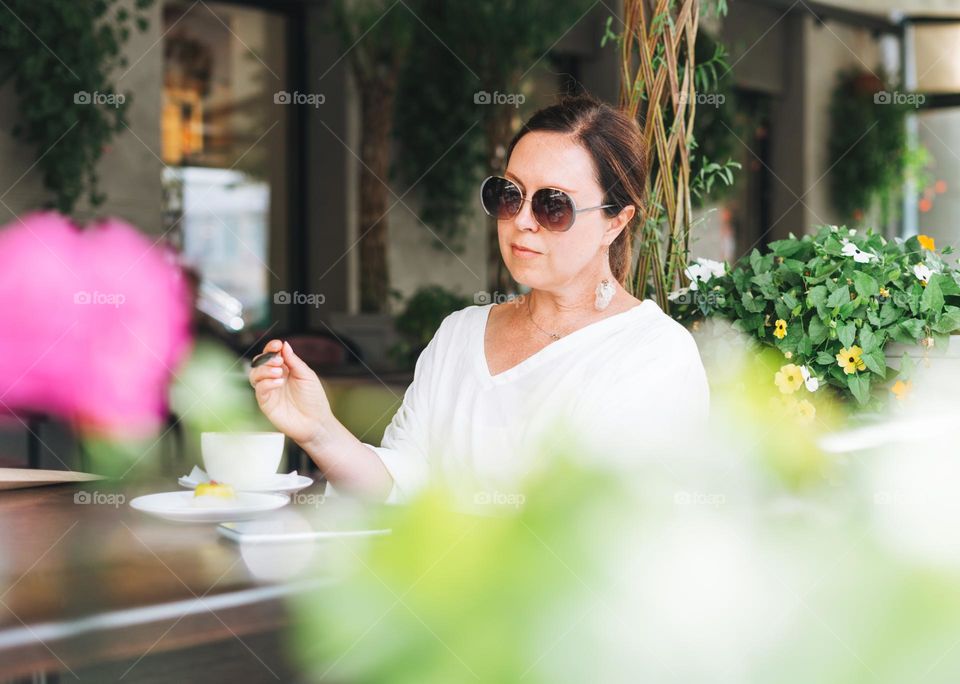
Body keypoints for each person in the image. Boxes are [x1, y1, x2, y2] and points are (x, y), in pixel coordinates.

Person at [250, 94, 709, 503]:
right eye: (509, 195)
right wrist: (318, 429)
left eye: (553, 204)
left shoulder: (652, 354)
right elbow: (402, 482)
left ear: (616, 221)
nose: (523, 221)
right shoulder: (461, 333)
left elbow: (610, 531)